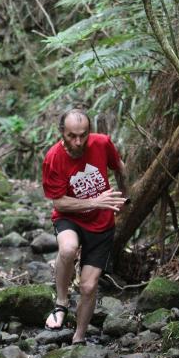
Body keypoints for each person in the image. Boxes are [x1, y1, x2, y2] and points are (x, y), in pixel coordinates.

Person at [42, 109, 129, 345]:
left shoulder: (102, 143)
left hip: (101, 224)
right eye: (72, 136)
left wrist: (124, 197)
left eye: (83, 135)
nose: (78, 142)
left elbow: (119, 166)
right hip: (69, 216)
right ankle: (61, 302)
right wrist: (94, 201)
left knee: (89, 287)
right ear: (62, 132)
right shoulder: (53, 157)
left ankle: (78, 338)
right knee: (68, 249)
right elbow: (58, 201)